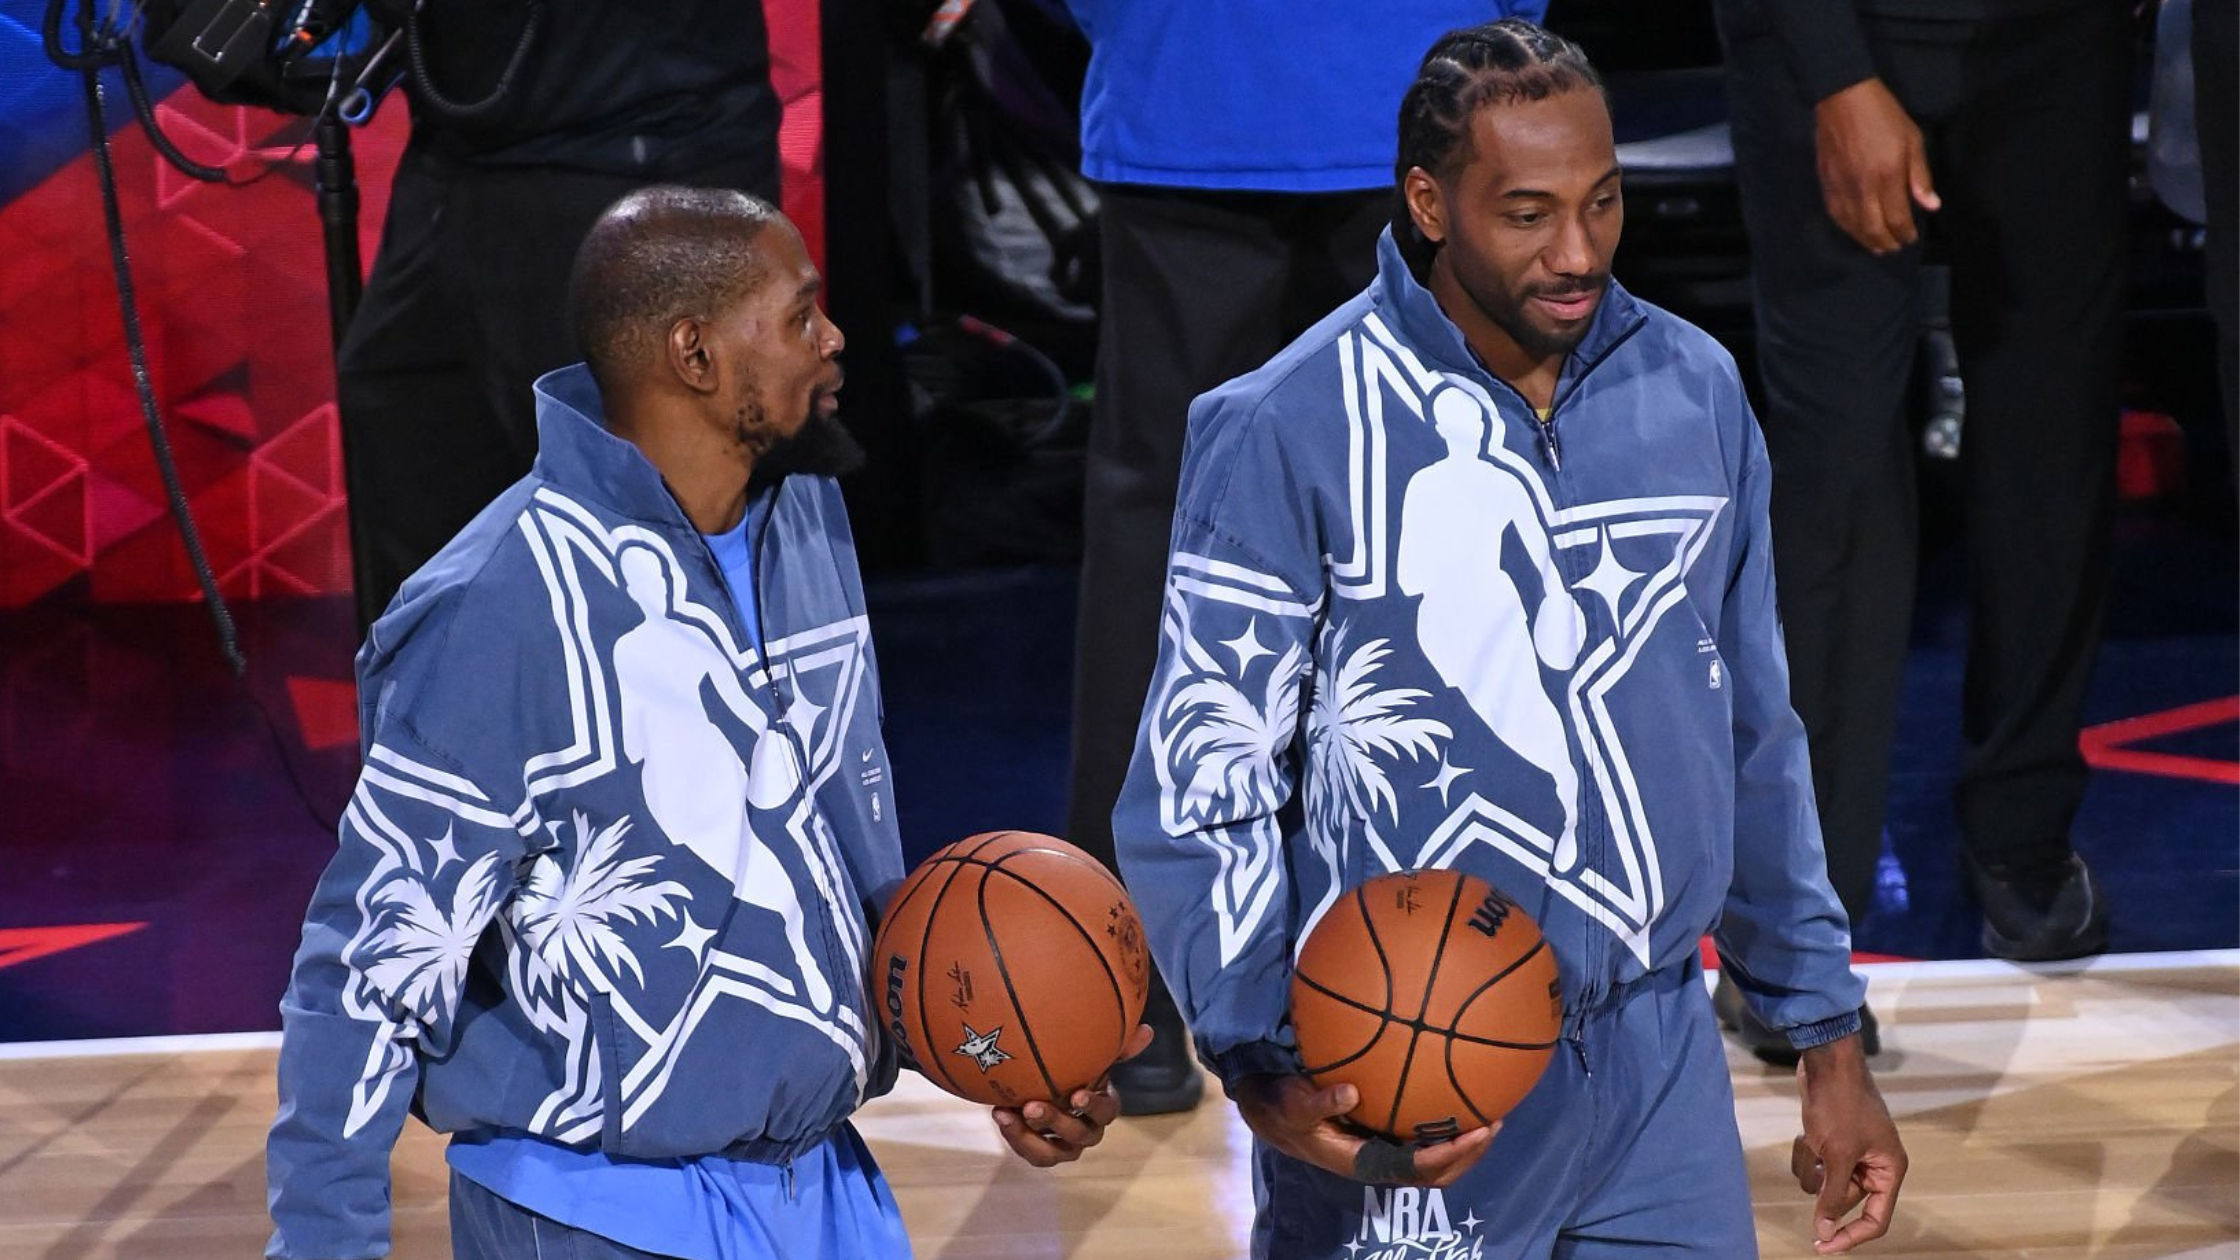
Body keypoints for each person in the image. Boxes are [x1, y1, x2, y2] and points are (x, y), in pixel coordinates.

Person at [1113, 22, 1907, 1258]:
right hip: (1409, 1071)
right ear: (1428, 203)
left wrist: (1824, 1034)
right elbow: (1200, 772)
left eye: (1601, 202)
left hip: (1659, 1071)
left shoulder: (1692, 390)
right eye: (1527, 214)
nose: (1577, 251)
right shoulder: (1283, 424)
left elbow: (1752, 737)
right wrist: (1259, 1052)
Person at [267, 188, 1143, 1260]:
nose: (834, 338)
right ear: (694, 353)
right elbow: (367, 965)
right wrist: (325, 1244)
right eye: (797, 314)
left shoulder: (803, 523)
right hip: (594, 1215)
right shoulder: (500, 603)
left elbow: (808, 878)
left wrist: (999, 1044)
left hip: (822, 1192)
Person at [1060, 0, 1546, 1116]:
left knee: (1186, 539)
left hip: (1217, 75)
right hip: (1394, 78)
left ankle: (1129, 993)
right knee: (1401, 523)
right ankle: (1421, 972)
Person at [1712, 0, 2128, 984]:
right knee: (1836, 472)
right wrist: (1832, 73)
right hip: (1835, 35)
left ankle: (2021, 834)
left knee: (2050, 445)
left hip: (2057, 43)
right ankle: (1798, 913)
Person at [338, 1, 784, 635]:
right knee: (416, 434)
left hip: (640, 154)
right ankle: (459, 725)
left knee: (632, 529)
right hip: (466, 157)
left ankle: (696, 723)